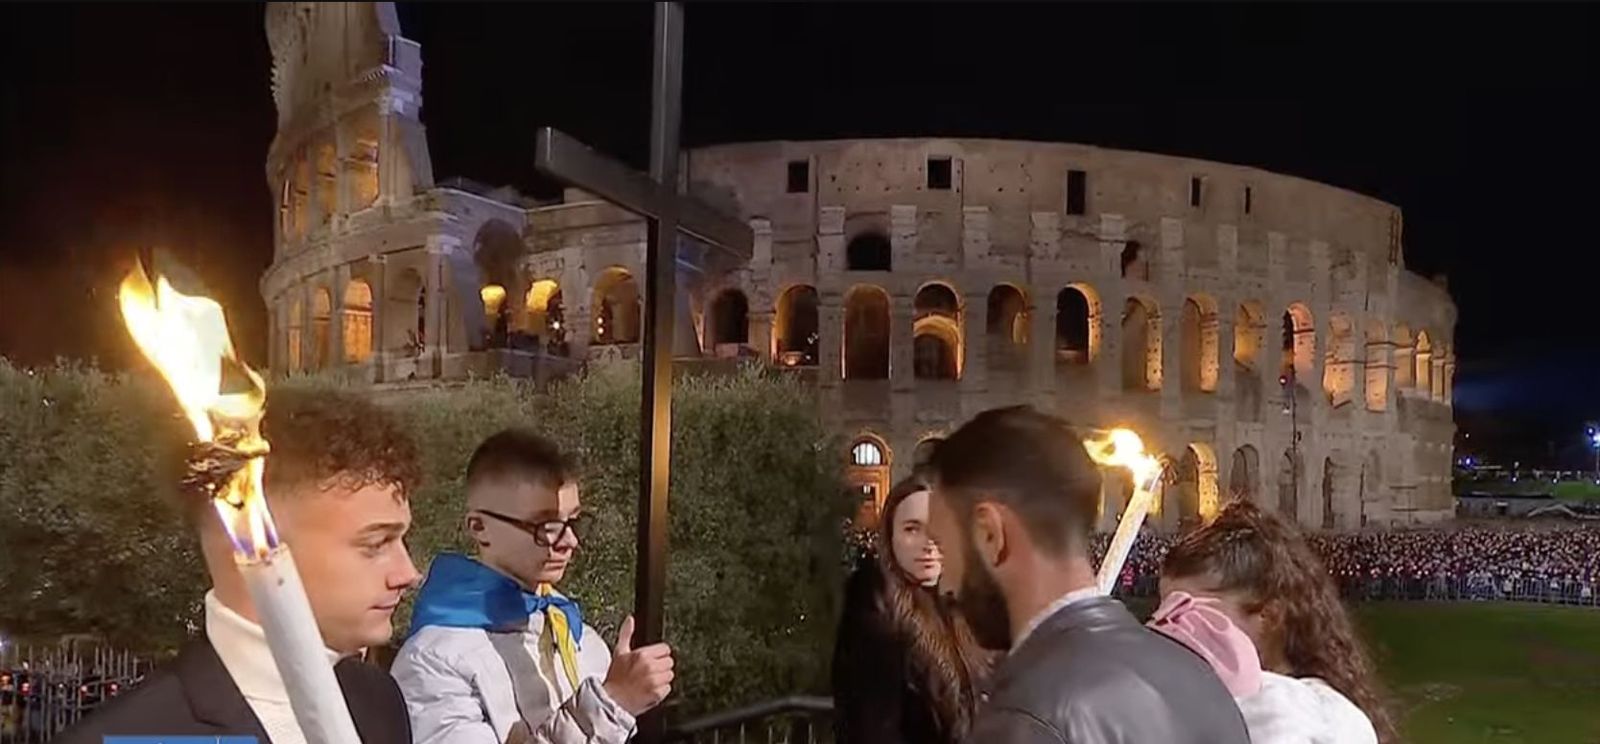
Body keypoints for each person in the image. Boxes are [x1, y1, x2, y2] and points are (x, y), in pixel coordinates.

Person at [58, 387, 424, 744]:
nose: (408, 574)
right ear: (255, 543)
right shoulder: (120, 735)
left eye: (401, 539)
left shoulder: (377, 700)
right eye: (376, 544)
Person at [923, 405, 1249, 743]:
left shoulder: (1027, 718)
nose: (943, 585)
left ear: (990, 534)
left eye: (944, 550)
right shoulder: (1197, 676)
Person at [391, 428, 673, 744]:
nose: (570, 541)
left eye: (574, 522)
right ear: (479, 527)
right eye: (546, 526)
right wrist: (610, 705)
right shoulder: (432, 661)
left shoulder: (581, 638)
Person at [1158, 500, 1395, 743]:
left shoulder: (1319, 720)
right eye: (1165, 613)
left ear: (1269, 617)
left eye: (1193, 615)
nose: (1171, 631)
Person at [833, 474, 991, 744]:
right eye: (912, 529)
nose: (928, 543)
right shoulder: (877, 612)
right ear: (890, 538)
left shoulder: (958, 607)